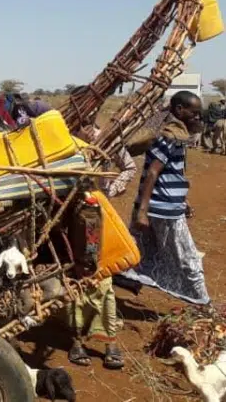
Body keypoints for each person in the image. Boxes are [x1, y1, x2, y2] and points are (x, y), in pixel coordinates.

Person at [117, 91, 209, 306]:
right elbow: (152, 173)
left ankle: (123, 277)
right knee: (188, 259)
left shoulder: (177, 136)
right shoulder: (169, 137)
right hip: (161, 209)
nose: (197, 117)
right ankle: (203, 303)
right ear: (179, 110)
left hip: (165, 205)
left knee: (141, 252)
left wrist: (182, 202)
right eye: (193, 113)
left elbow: (171, 175)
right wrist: (142, 211)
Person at [68, 125, 137, 370]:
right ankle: (76, 339)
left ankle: (109, 342)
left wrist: (109, 190)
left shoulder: (107, 137)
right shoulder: (65, 139)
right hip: (67, 214)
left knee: (103, 275)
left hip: (98, 213)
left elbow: (129, 167)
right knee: (75, 276)